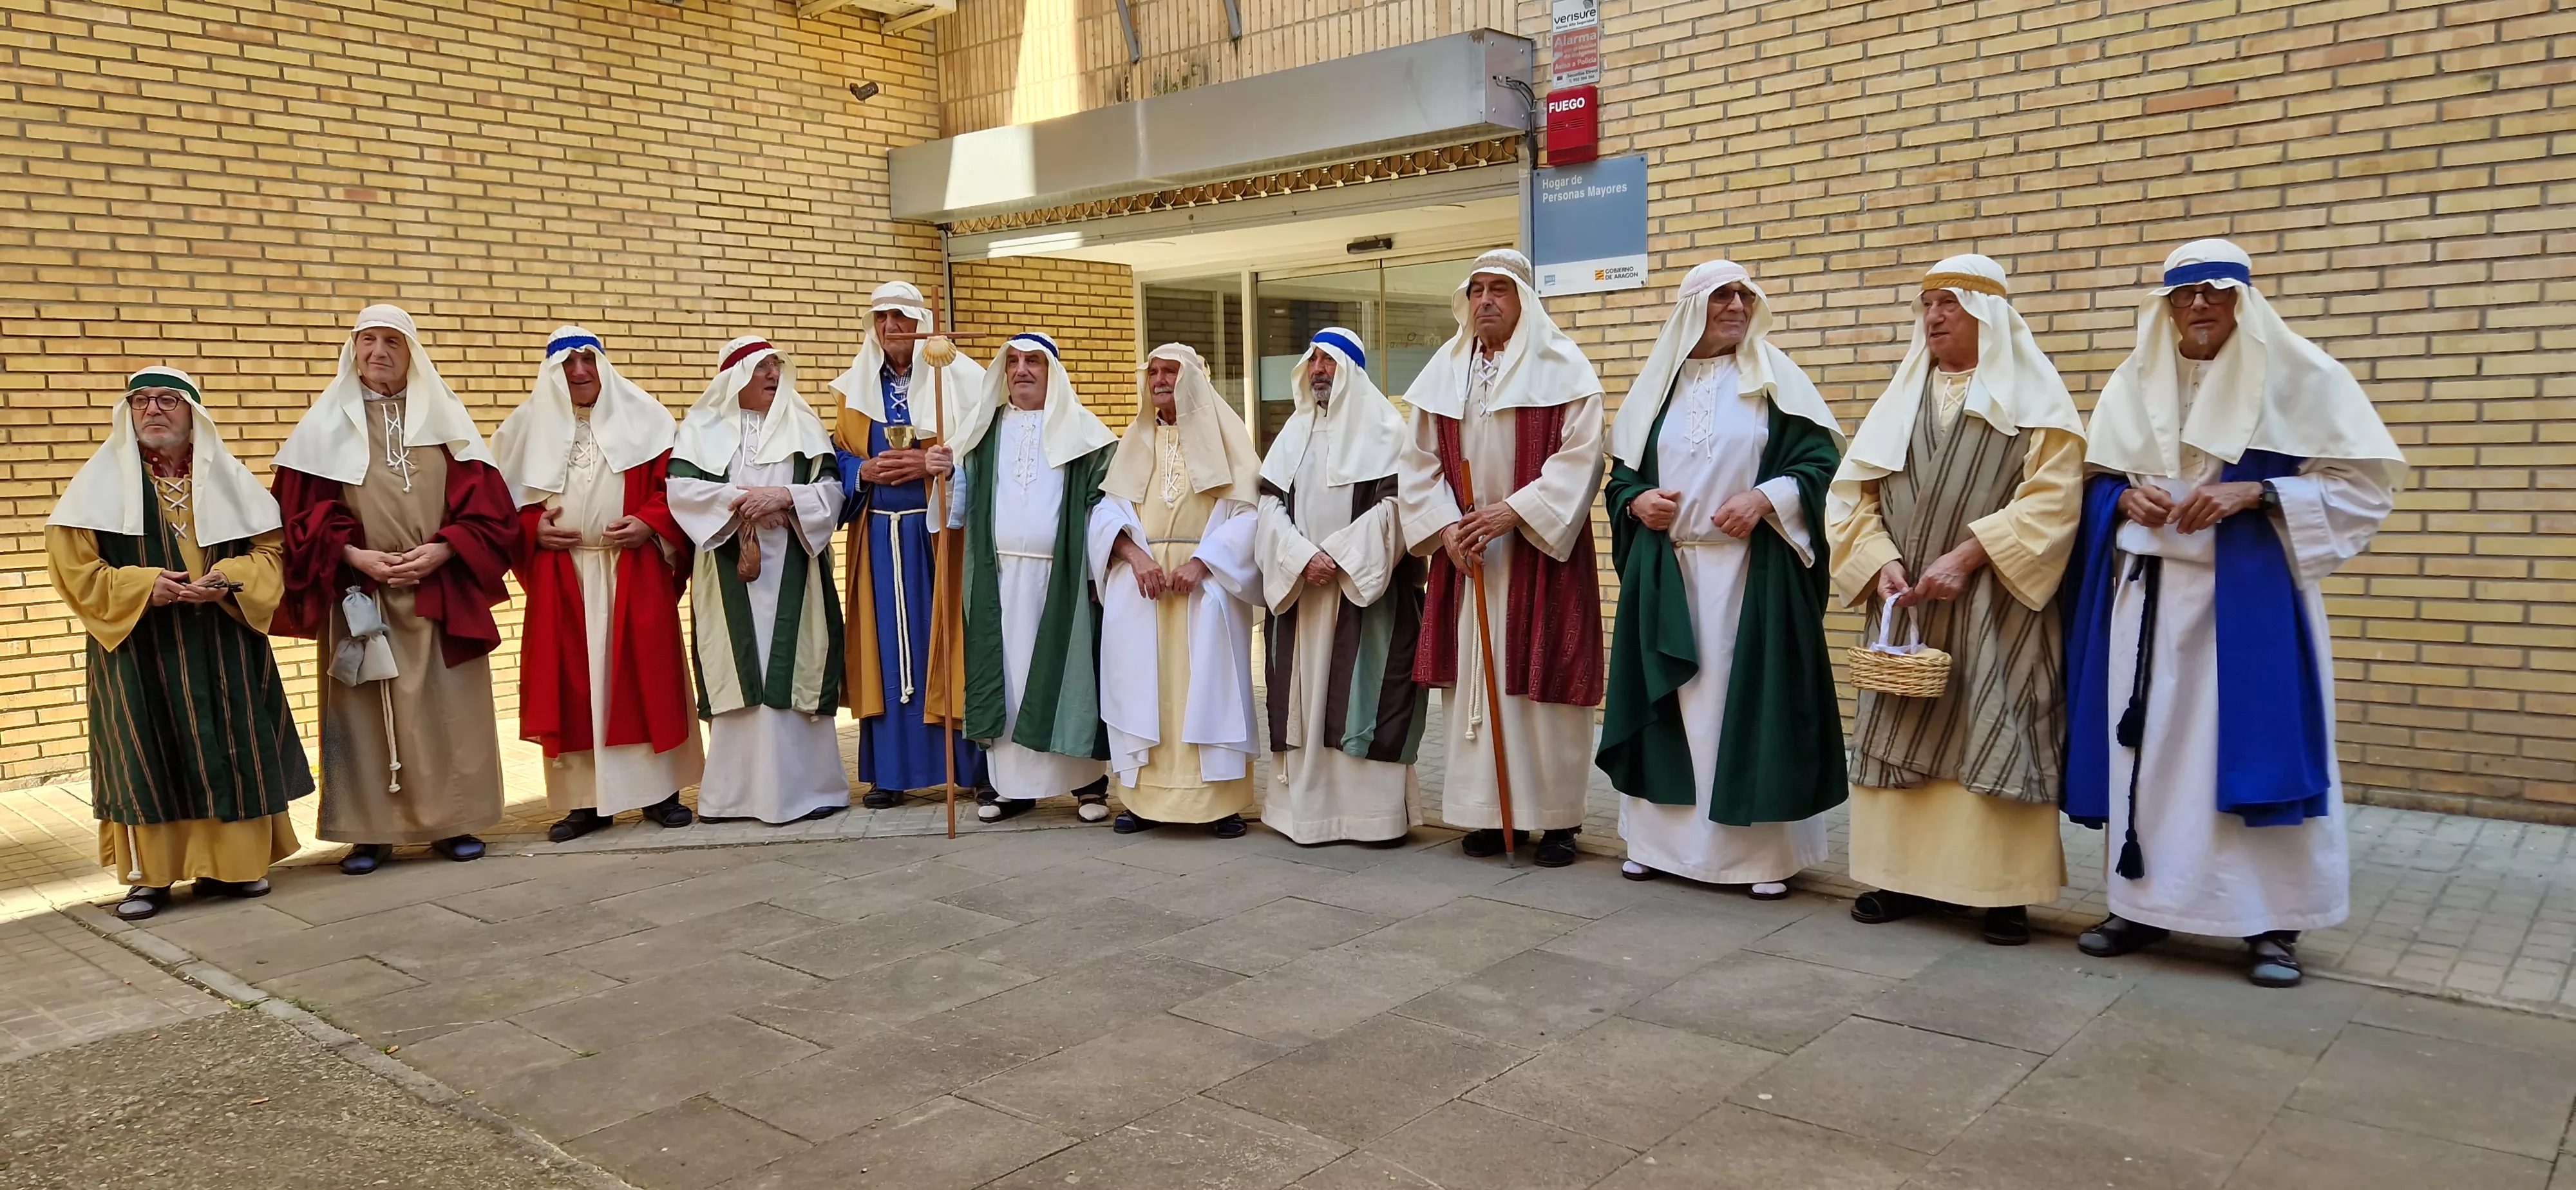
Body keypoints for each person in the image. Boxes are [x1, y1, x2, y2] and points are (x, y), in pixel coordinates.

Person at [2064, 239, 2403, 987]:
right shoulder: (2135, 379)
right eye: (2183, 295)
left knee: (2243, 750)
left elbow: (2366, 491)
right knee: (2147, 758)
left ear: (2243, 299)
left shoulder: (2301, 376)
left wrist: (2254, 493)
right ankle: (2141, 903)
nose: (2198, 306)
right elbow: (2093, 481)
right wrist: (2123, 496)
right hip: (2149, 604)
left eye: (2215, 292)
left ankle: (2271, 924)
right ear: (2165, 306)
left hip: (2247, 607)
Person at [1825, 254, 2087, 944]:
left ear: (1990, 314)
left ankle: (2000, 892)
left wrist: (1971, 555)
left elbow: (2054, 500)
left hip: (1994, 603)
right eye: (1926, 305)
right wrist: (1878, 563)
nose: (1933, 316)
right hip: (1909, 600)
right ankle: (1898, 878)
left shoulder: (2037, 401)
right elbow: (1854, 497)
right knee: (1901, 728)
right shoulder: (1901, 397)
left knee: (2000, 720)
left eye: (1949, 303)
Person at [1597, 261, 1847, 898]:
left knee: (1745, 705)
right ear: (1692, 310)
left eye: (1744, 294)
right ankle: (1659, 847)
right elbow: (1622, 476)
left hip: (1750, 577)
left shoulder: (1773, 379)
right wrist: (1636, 503)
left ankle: (1755, 859)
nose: (1736, 304)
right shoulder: (1658, 389)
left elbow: (1820, 466)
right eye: (1721, 295)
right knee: (1673, 707)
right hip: (1670, 572)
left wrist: (1766, 499)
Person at [48, 366, 310, 919]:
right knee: (147, 753)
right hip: (141, 648)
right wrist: (144, 585)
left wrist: (227, 579)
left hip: (221, 640)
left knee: (233, 749)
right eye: (141, 401)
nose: (154, 410)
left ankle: (235, 868)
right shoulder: (97, 486)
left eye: (169, 400)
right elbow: (73, 570)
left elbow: (273, 554)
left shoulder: (230, 480)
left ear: (195, 414)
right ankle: (152, 878)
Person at [274, 305, 518, 874]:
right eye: (367, 341)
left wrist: (445, 548)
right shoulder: (322, 428)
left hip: (439, 589)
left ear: (413, 355)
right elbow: (296, 516)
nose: (377, 351)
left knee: (448, 710)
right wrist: (354, 555)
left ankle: (453, 821)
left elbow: (492, 512)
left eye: (392, 342)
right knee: (360, 713)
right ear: (352, 350)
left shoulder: (446, 422)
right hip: (362, 594)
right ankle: (369, 832)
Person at [1396, 249, 1607, 869]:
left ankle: (1556, 821)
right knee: (1473, 691)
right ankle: (1485, 815)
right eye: (1477, 290)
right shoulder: (1445, 372)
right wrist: (1448, 530)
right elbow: (1418, 464)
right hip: (1469, 560)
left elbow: (1581, 459)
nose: (1485, 300)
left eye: (1500, 290)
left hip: (1537, 551)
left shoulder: (1563, 367)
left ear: (1525, 301)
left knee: (1545, 686)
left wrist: (1512, 513)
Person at [491, 327, 701, 842]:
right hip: (565, 575)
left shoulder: (647, 420)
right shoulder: (521, 430)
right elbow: (498, 510)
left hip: (632, 569)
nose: (580, 372)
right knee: (571, 685)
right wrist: (531, 530)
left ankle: (659, 794)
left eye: (588, 361)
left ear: (604, 366)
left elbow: (675, 490)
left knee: (644, 674)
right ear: (551, 373)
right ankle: (584, 804)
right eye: (567, 364)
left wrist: (651, 524)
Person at [1253, 329, 1427, 846]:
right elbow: (1267, 508)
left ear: (1351, 371)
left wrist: (1340, 556)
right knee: (1304, 699)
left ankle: (1371, 819)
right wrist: (1303, 557)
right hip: (1304, 594)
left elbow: (1398, 510)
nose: (1318, 370)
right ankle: (1304, 814)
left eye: (1328, 362)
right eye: (1312, 361)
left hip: (1362, 595)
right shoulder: (1293, 433)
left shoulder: (1388, 432)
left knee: (1366, 698)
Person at [667, 337, 850, 824]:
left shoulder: (803, 423)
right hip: (729, 565)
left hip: (795, 563)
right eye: (761, 367)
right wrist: (745, 503)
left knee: (798, 666)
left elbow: (832, 492)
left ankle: (809, 791)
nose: (773, 374)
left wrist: (785, 497)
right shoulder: (701, 428)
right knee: (737, 669)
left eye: (776, 366)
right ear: (735, 378)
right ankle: (732, 798)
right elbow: (683, 493)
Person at [829, 281, 989, 810]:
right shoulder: (855, 389)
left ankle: (971, 767)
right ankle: (891, 774)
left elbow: (983, 449)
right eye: (881, 319)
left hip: (941, 534)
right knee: (887, 652)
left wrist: (936, 464)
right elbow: (837, 458)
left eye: (900, 317)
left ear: (922, 322)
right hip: (878, 534)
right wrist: (863, 470)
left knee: (949, 643)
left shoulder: (961, 379)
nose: (891, 327)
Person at [947, 333, 1118, 823]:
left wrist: (1093, 572)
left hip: (1061, 580)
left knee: (1069, 678)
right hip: (997, 575)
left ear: (1053, 373)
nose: (1022, 370)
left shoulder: (1087, 433)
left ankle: (1087, 786)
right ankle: (1011, 788)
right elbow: (960, 505)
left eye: (1034, 362)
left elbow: (1101, 507)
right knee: (1007, 680)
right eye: (1014, 362)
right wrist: (944, 471)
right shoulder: (983, 430)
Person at [1094, 343, 1264, 837]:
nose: (1160, 380)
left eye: (1171, 371)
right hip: (1144, 591)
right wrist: (1135, 557)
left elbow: (1250, 516)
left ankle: (1217, 803)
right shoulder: (1136, 438)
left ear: (1194, 378)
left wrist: (1204, 563)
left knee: (1209, 690)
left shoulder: (1228, 441)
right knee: (1141, 688)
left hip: (1204, 588)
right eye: (1154, 372)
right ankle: (1141, 801)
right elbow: (1107, 512)